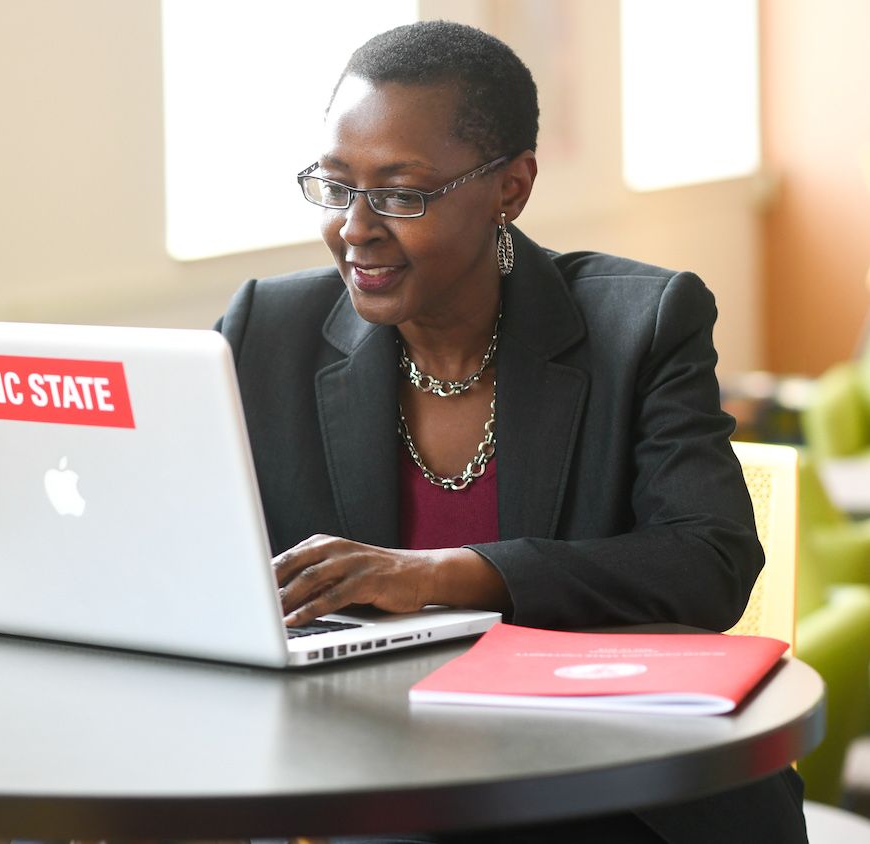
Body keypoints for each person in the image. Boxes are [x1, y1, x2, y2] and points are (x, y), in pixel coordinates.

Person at [217, 21, 804, 844]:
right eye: (336, 185)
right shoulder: (263, 332)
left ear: (511, 188)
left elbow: (707, 561)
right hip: (361, 767)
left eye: (399, 193)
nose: (355, 227)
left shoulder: (641, 324)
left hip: (602, 783)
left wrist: (444, 576)